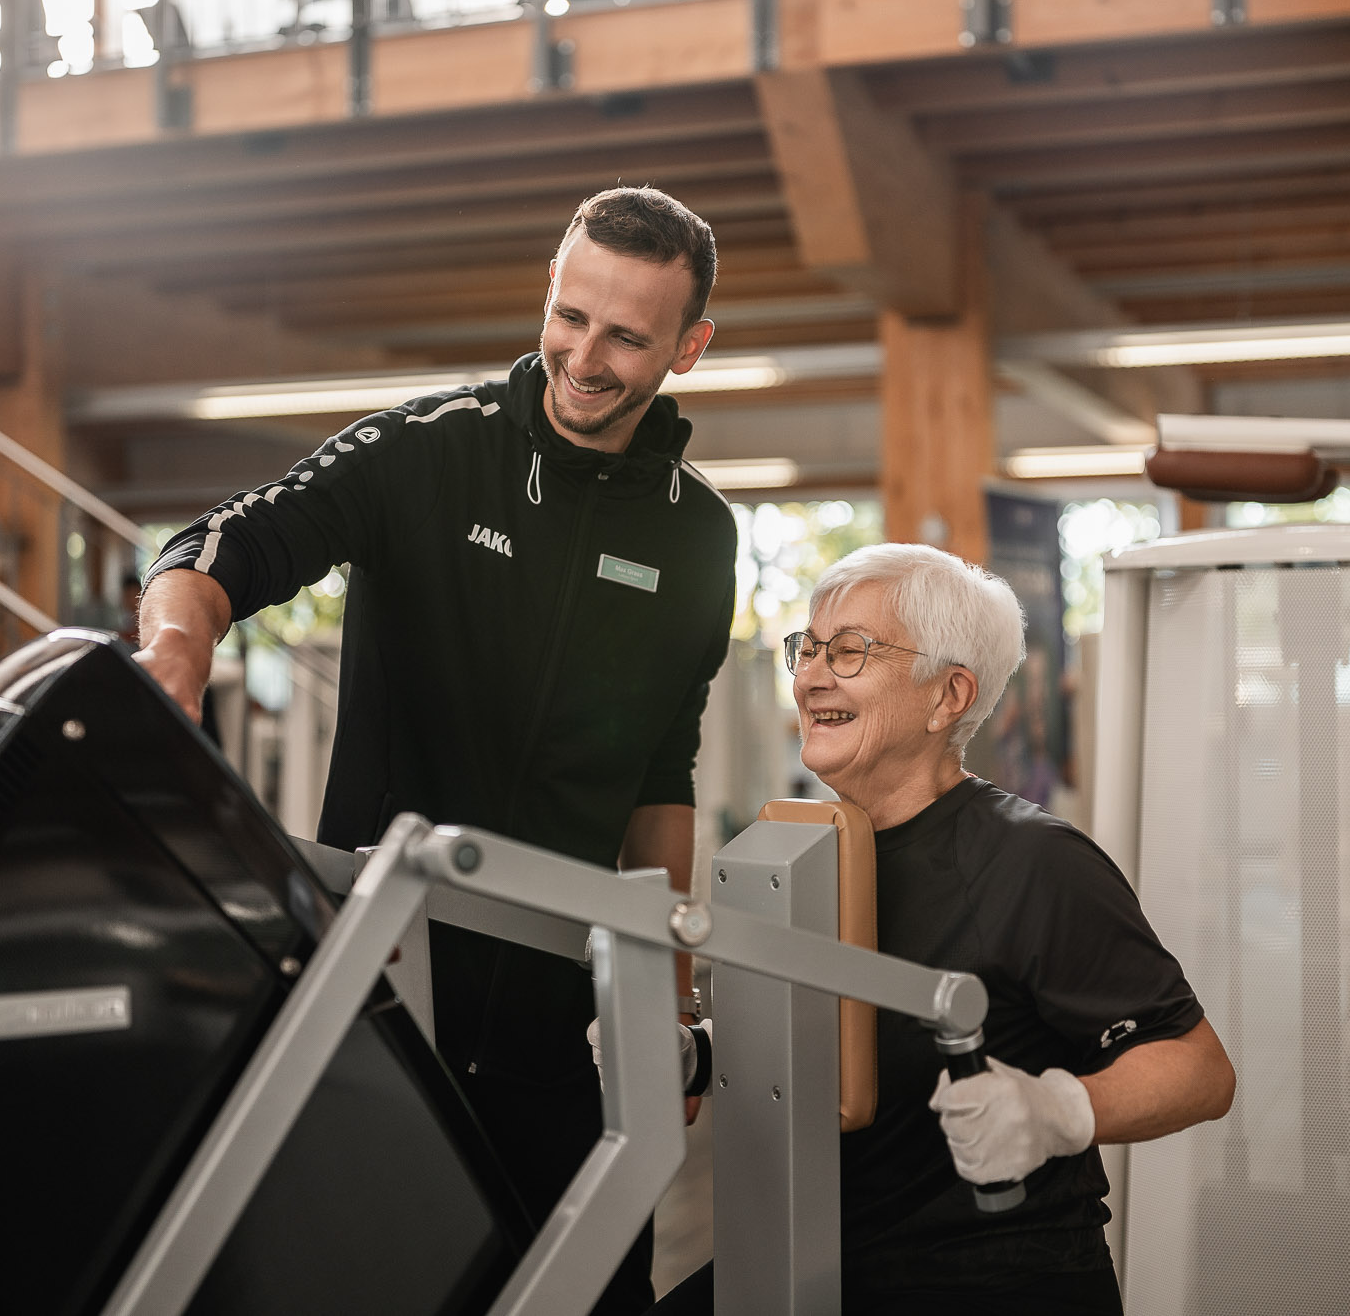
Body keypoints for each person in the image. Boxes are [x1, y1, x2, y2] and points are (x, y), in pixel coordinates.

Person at [134, 187, 738, 1316]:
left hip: (561, 1031)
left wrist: (666, 1001)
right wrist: (176, 646)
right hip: (381, 1007)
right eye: (569, 316)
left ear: (688, 347)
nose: (582, 358)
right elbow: (225, 542)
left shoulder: (697, 534)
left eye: (624, 335)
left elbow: (661, 775)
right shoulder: (428, 450)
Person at [658, 542, 1234, 1315]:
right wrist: (699, 1052)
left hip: (988, 1277)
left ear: (948, 695)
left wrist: (1059, 1110)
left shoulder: (1034, 861)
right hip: (815, 1251)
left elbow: (1200, 1069)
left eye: (850, 650)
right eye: (809, 647)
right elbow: (840, 1030)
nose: (812, 675)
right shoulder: (809, 844)